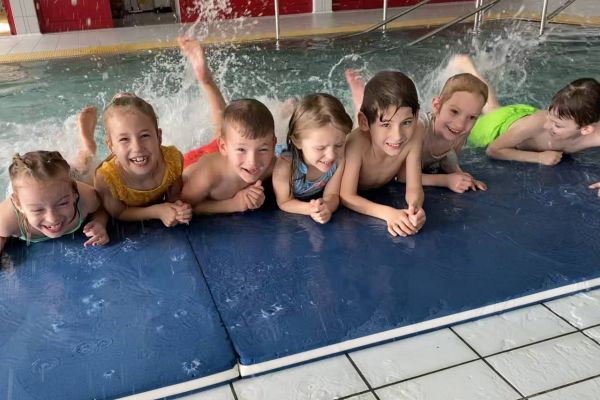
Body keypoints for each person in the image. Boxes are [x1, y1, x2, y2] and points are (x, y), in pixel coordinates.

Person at [346, 54, 491, 193]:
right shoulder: (420, 128)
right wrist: (446, 181)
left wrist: (463, 177)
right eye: (454, 112)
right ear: (437, 105)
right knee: (368, 131)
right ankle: (360, 102)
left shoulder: (460, 132)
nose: (460, 124)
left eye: (472, 117)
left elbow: (448, 160)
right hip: (386, 145)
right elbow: (402, 176)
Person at [340, 71, 426, 237]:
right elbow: (346, 195)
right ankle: (359, 98)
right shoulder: (355, 144)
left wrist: (414, 209)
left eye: (407, 122)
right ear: (364, 122)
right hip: (364, 132)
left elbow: (414, 186)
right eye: (386, 124)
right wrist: (388, 214)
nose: (398, 136)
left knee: (378, 118)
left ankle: (366, 104)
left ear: (416, 116)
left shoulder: (416, 132)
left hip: (373, 125)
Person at [94, 94, 192, 227]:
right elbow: (119, 213)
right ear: (111, 146)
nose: (137, 147)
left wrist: (179, 209)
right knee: (83, 165)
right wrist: (157, 212)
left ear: (159, 137)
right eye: (124, 139)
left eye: (145, 135)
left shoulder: (173, 161)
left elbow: (174, 196)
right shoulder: (106, 179)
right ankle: (87, 145)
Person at [0, 136, 109, 253]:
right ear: (18, 205)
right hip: (27, 190)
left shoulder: (85, 197)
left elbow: (102, 205)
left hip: (65, 181)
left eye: (63, 203)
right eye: (37, 210)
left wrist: (100, 222)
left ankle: (86, 146)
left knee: (83, 166)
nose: (52, 219)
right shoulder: (7, 220)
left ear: (74, 194)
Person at [469, 78, 600, 171]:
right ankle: (468, 72)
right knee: (483, 113)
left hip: (525, 118)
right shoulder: (534, 125)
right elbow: (493, 150)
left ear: (586, 129)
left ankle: (467, 66)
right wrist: (538, 157)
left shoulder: (595, 135)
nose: (547, 126)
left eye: (557, 125)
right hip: (501, 126)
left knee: (493, 108)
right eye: (549, 114)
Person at [180, 98, 277, 214]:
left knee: (226, 131)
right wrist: (233, 204)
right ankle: (209, 86)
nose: (253, 162)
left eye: (263, 149)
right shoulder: (205, 177)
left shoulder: (272, 165)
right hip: (196, 160)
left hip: (231, 152)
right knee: (221, 131)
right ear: (223, 147)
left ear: (273, 145)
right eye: (242, 150)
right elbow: (182, 207)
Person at [272, 93, 353, 223]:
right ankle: (285, 111)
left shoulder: (339, 160)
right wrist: (311, 209)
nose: (331, 155)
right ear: (298, 142)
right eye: (320, 148)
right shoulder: (285, 166)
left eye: (339, 145)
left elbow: (332, 195)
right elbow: (284, 201)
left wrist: (326, 207)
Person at [177, 36, 227, 169]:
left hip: (192, 163)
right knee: (222, 137)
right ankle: (206, 81)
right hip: (196, 164)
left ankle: (206, 80)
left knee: (222, 137)